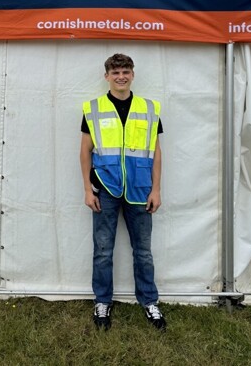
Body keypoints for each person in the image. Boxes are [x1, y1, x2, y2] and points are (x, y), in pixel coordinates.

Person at [80, 53, 166, 332]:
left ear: (132, 74)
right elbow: (85, 151)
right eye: (115, 72)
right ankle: (102, 301)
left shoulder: (149, 108)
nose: (121, 76)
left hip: (140, 189)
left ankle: (149, 302)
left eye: (125, 71)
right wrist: (87, 190)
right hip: (105, 188)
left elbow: (156, 152)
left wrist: (156, 189)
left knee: (143, 251)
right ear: (107, 76)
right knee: (103, 250)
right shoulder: (93, 109)